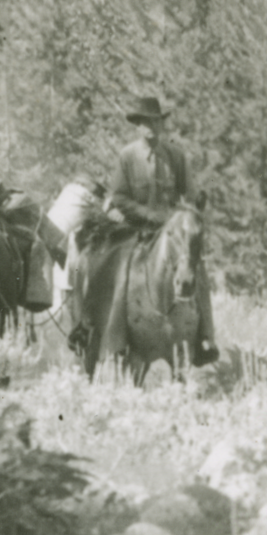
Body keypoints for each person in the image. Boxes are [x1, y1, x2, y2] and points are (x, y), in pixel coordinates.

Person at [82, 92, 219, 367]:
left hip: (171, 230)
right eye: (145, 123)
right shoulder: (128, 156)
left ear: (161, 124)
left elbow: (190, 195)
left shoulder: (175, 155)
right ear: (138, 126)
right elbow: (119, 198)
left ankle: (205, 336)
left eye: (155, 122)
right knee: (113, 266)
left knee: (195, 266)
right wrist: (150, 216)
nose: (151, 128)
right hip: (136, 229)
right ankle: (102, 332)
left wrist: (185, 216)